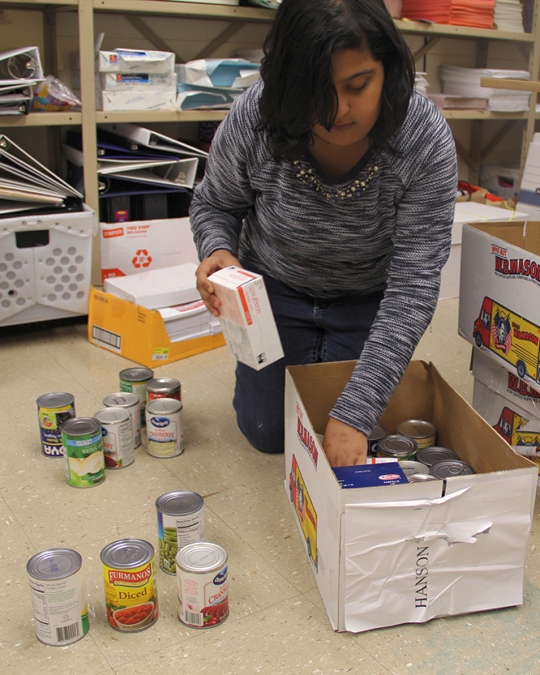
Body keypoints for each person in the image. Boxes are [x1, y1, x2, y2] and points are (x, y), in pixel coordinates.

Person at [190, 0, 457, 467]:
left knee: (357, 426)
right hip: (274, 292)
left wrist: (355, 412)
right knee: (269, 433)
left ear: (388, 69)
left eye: (358, 85)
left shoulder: (423, 137)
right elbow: (215, 203)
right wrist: (217, 249)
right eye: (315, 90)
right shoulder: (255, 115)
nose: (339, 110)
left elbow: (414, 285)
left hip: (369, 300)